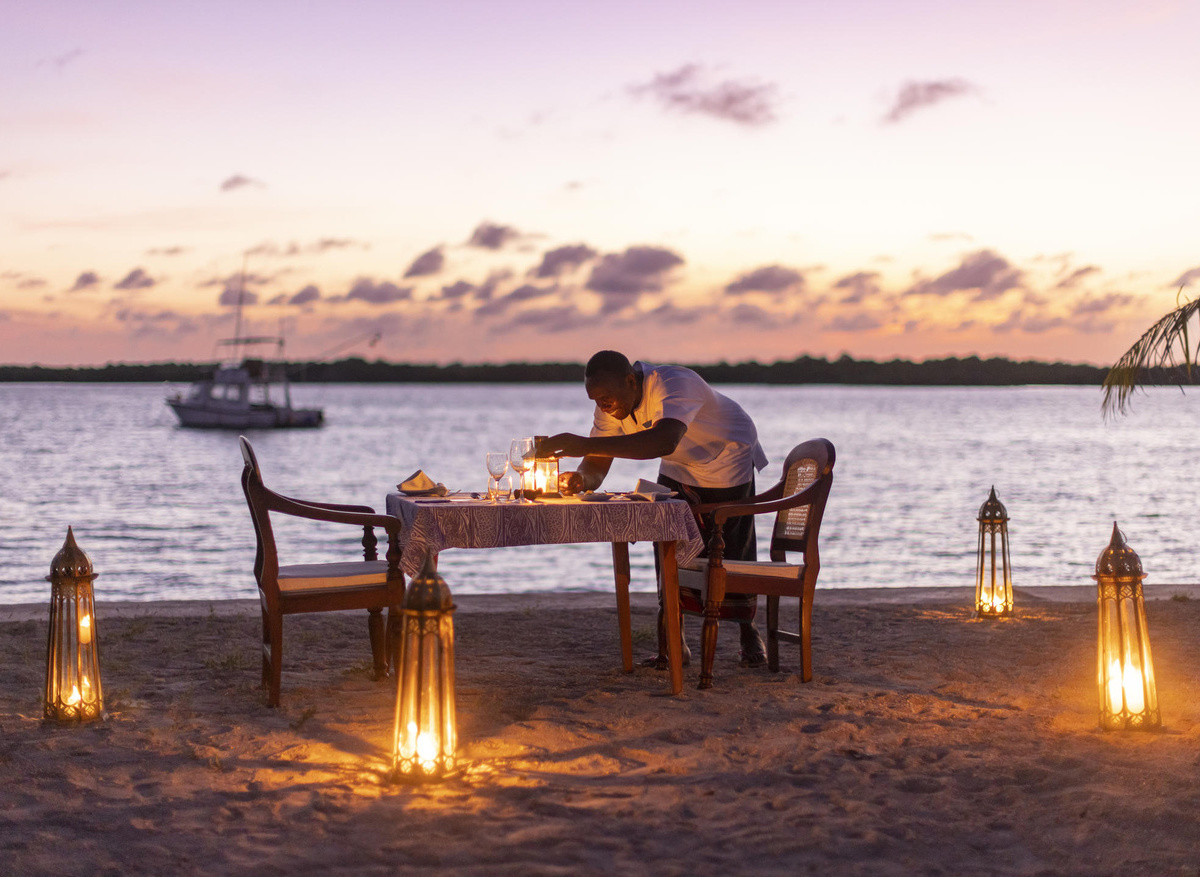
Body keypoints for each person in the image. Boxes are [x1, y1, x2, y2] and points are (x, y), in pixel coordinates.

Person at [536, 350, 769, 668]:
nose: (601, 406)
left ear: (630, 381)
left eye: (605, 397)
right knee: (666, 537)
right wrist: (579, 479)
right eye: (594, 399)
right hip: (680, 462)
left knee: (729, 547)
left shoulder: (674, 384)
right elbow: (597, 465)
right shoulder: (610, 407)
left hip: (726, 453)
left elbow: (664, 441)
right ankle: (673, 643)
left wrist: (586, 444)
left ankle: (747, 630)